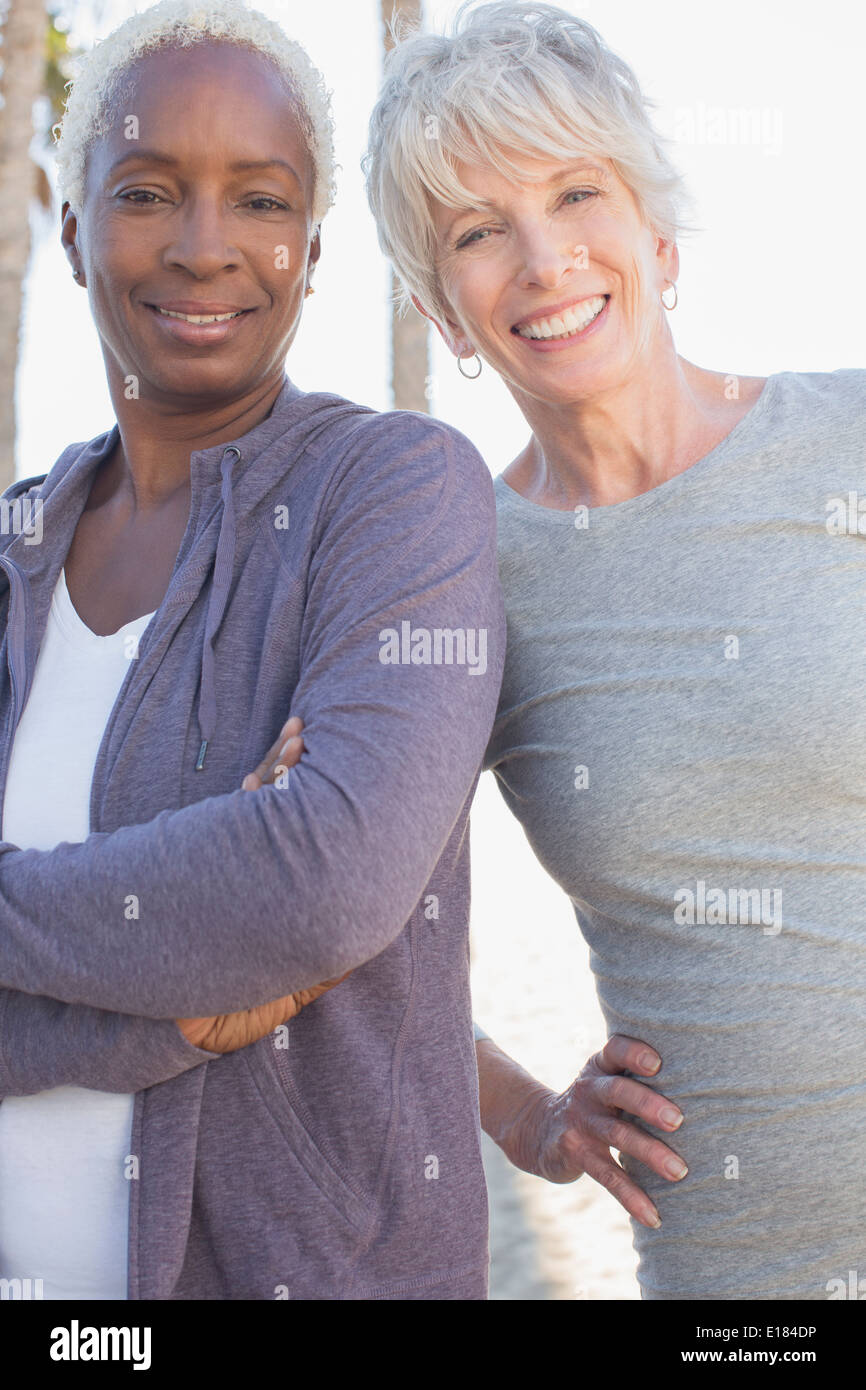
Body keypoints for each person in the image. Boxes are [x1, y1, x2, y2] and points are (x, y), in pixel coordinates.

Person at [0, 0, 512, 1301]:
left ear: (314, 247)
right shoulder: (13, 551)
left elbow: (319, 886)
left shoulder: (392, 494)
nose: (204, 245)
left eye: (262, 201)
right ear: (70, 228)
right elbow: (245, 906)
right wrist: (166, 1013)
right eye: (150, 190)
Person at [362, 0, 866, 1299]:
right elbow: (345, 920)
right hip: (741, 1275)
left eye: (573, 191)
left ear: (654, 228)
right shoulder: (458, 569)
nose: (541, 260)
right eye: (478, 231)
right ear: (445, 311)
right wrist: (526, 1113)